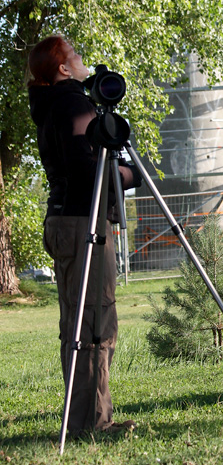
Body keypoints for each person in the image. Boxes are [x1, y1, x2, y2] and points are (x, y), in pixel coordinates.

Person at [28, 35, 139, 436]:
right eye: (74, 55)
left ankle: (84, 420)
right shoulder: (73, 102)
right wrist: (130, 174)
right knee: (93, 323)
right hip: (83, 221)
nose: (81, 60)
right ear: (61, 68)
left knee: (78, 321)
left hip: (64, 219)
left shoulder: (51, 105)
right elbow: (87, 167)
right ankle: (91, 424)